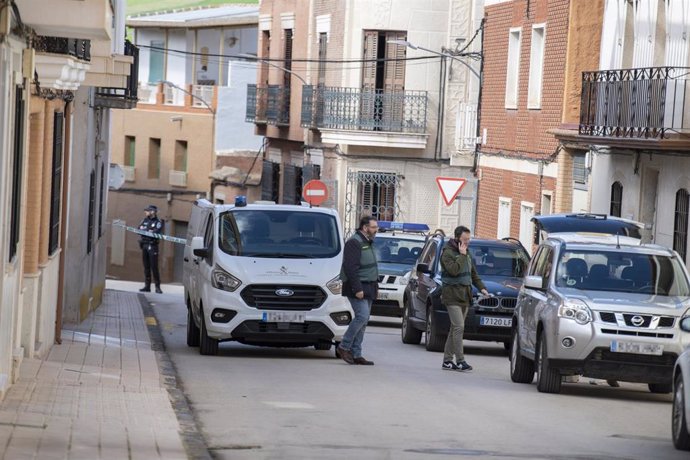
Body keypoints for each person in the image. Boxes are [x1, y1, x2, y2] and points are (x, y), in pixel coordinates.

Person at [440, 225, 489, 371]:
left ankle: (447, 360)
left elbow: (473, 274)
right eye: (465, 239)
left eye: (469, 239)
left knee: (454, 329)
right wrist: (461, 255)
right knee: (459, 327)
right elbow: (454, 271)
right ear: (457, 238)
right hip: (451, 295)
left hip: (465, 296)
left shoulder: (467, 253)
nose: (468, 242)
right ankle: (460, 361)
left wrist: (482, 288)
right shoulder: (447, 253)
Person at [337, 216, 379, 365]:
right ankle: (344, 346)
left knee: (365, 320)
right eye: (373, 227)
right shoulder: (354, 242)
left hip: (369, 286)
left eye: (376, 227)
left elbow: (371, 266)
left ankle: (356, 354)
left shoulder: (368, 242)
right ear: (365, 227)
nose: (376, 230)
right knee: (361, 316)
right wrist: (357, 288)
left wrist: (375, 287)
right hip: (358, 286)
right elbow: (350, 268)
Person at [138, 205, 163, 293]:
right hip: (144, 244)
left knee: (154, 267)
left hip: (153, 246)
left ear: (153, 212)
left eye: (148, 210)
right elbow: (139, 229)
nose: (146, 212)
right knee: (146, 267)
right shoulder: (144, 220)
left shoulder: (158, 222)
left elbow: (156, 231)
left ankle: (157, 287)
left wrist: (146, 230)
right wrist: (148, 231)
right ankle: (147, 286)